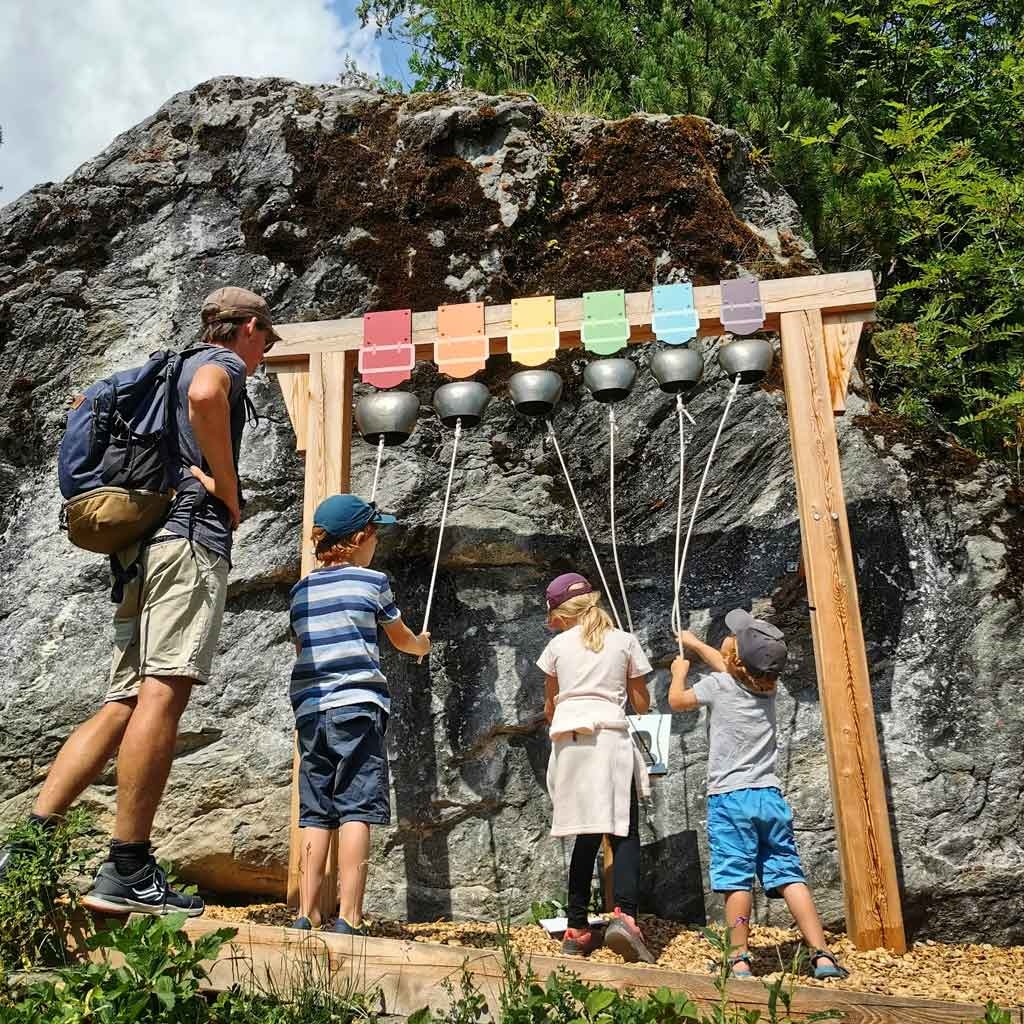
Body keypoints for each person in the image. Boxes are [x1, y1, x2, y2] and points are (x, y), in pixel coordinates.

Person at [0, 286, 280, 917]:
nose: (265, 353)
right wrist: (228, 490)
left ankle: (26, 847)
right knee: (164, 689)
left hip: (137, 547)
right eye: (269, 339)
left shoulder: (162, 367)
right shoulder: (223, 365)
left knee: (122, 700)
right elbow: (209, 395)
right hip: (187, 540)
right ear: (249, 328)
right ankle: (127, 863)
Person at [668, 610, 848, 980]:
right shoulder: (768, 687)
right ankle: (822, 954)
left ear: (734, 656)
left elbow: (677, 702)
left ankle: (739, 959)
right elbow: (728, 666)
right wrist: (696, 644)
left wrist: (678, 675)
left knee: (736, 879)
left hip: (731, 800)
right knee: (788, 873)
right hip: (769, 797)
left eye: (731, 637)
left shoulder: (718, 687)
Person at [289, 493, 430, 934]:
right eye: (374, 535)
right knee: (356, 808)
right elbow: (401, 637)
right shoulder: (372, 583)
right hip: (358, 706)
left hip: (311, 711)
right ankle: (349, 915)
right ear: (356, 539)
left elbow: (301, 648)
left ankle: (306, 913)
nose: (376, 544)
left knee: (315, 811)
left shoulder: (301, 590)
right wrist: (422, 646)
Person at [537, 572, 655, 963]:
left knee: (583, 834)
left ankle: (577, 927)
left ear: (559, 612)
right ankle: (625, 916)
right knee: (623, 830)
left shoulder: (556, 647)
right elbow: (642, 704)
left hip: (569, 742)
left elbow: (550, 707)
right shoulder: (624, 642)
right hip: (608, 738)